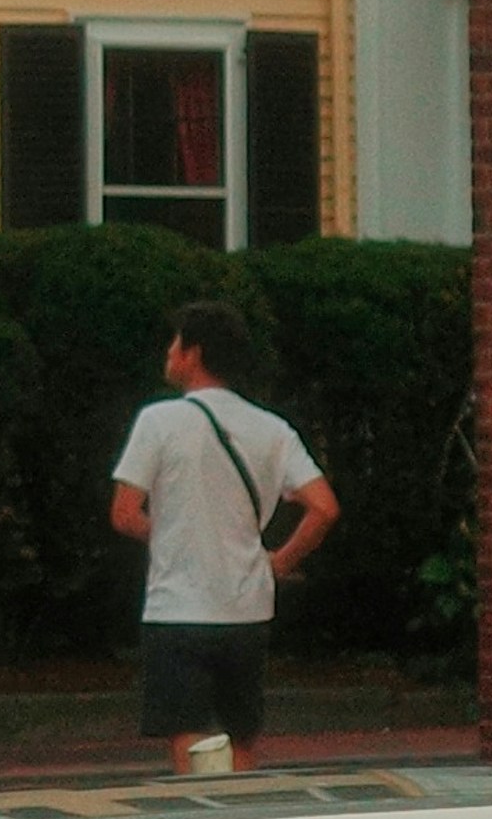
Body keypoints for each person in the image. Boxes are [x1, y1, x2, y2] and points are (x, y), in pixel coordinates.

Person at [110, 299, 340, 776]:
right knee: (241, 740)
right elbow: (324, 508)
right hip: (247, 610)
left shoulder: (158, 421)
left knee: (189, 743)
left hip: (178, 611)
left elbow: (125, 514)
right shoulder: (272, 429)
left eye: (175, 343)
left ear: (193, 353)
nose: (169, 353)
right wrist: (280, 561)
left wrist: (176, 533)